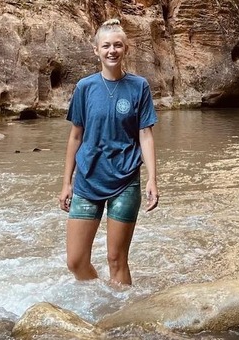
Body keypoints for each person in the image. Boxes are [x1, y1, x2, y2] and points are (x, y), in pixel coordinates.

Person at [58, 18, 159, 286]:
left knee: (116, 259)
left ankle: (120, 318)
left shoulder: (139, 87)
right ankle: (102, 296)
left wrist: (152, 179)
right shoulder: (85, 88)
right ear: (96, 51)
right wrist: (67, 182)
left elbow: (145, 134)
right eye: (106, 46)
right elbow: (76, 135)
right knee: (76, 261)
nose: (112, 50)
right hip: (88, 179)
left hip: (125, 180)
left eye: (117, 45)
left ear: (126, 49)